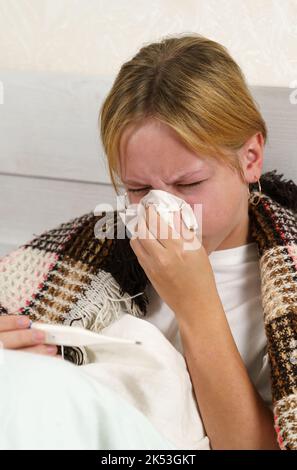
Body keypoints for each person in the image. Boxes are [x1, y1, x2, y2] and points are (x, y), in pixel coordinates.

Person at [0, 33, 296, 450]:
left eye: (188, 183)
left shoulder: (284, 279)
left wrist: (196, 303)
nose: (161, 208)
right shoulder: (92, 248)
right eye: (138, 189)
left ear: (250, 158)